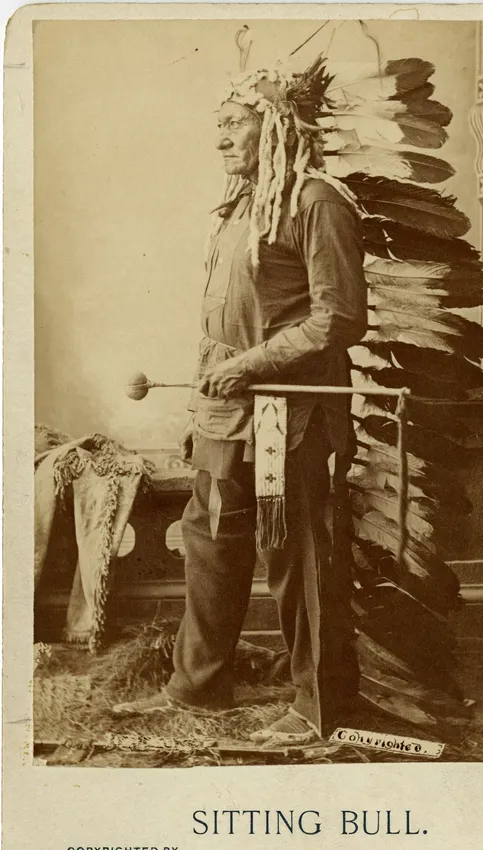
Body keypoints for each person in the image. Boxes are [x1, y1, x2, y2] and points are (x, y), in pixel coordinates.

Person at [113, 61, 368, 743]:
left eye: (233, 123)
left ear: (276, 123)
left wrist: (254, 364)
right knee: (212, 541)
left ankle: (320, 708)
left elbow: (338, 320)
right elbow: (216, 321)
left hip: (295, 411)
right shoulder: (237, 206)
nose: (221, 138)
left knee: (298, 553)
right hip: (230, 410)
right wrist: (205, 407)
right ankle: (199, 690)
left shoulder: (317, 203)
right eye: (218, 126)